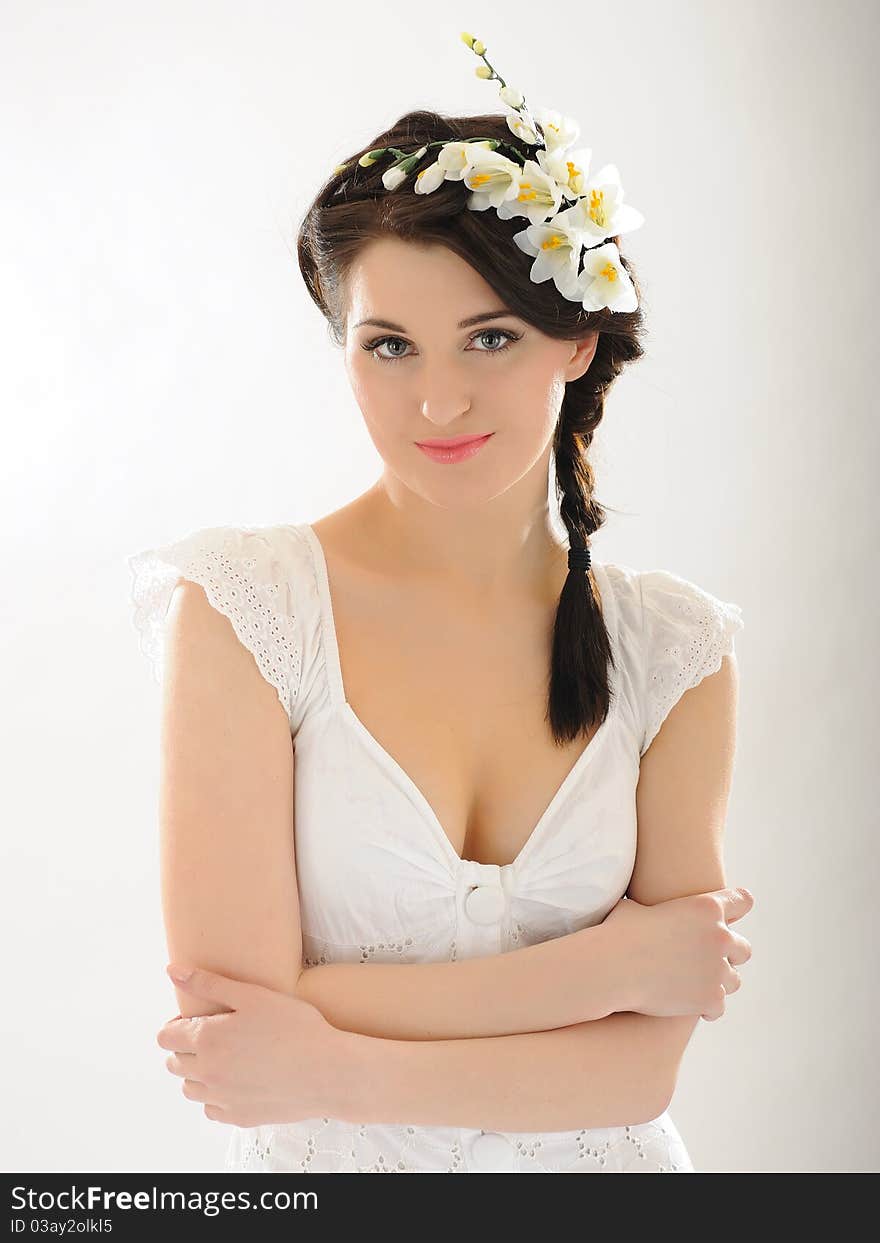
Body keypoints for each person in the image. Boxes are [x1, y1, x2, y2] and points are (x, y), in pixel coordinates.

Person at [127, 33, 754, 1173]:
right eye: (389, 346)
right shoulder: (246, 610)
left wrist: (329, 1054)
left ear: (577, 338)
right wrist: (608, 968)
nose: (438, 398)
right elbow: (237, 1034)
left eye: (490, 337)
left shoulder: (675, 650)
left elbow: (637, 1072)